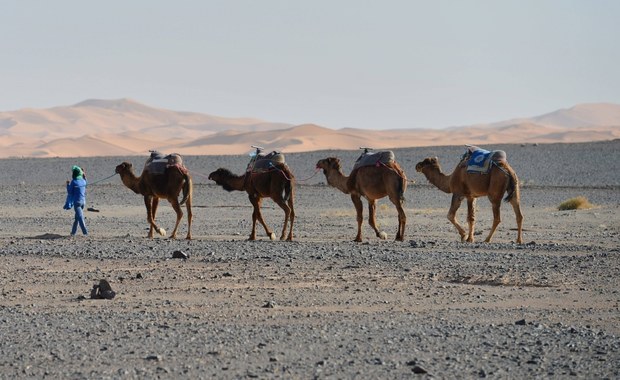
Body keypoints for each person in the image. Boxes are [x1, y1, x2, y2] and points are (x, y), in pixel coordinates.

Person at [63, 165, 88, 235]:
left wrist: (68, 184)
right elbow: (86, 182)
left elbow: (70, 191)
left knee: (80, 218)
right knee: (77, 218)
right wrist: (84, 174)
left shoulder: (74, 182)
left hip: (77, 203)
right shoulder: (83, 181)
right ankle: (73, 233)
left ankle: (85, 233)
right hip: (83, 202)